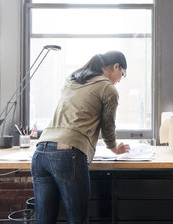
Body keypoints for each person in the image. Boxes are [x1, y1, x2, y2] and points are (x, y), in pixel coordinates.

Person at [31, 51, 130, 224]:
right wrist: (114, 147)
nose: (121, 79)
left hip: (40, 152)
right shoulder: (108, 89)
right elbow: (108, 125)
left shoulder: (72, 80)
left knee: (43, 220)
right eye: (123, 74)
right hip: (67, 153)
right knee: (78, 220)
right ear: (116, 67)